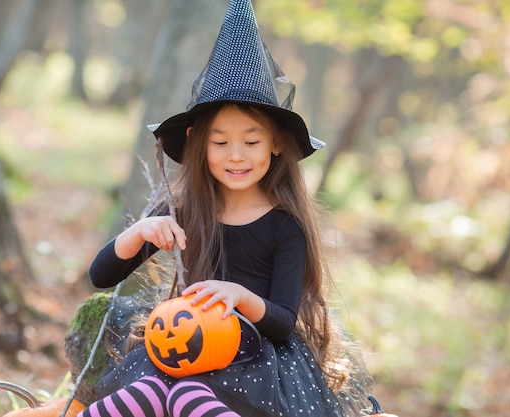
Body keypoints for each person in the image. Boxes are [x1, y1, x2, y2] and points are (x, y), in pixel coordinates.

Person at [79, 1, 394, 416]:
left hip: (254, 359)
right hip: (188, 342)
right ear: (197, 141)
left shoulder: (285, 226)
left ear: (276, 143)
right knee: (150, 391)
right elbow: (101, 276)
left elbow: (282, 320)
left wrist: (238, 296)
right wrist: (139, 232)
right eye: (220, 142)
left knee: (187, 397)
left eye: (251, 140)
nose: (236, 155)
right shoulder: (183, 209)